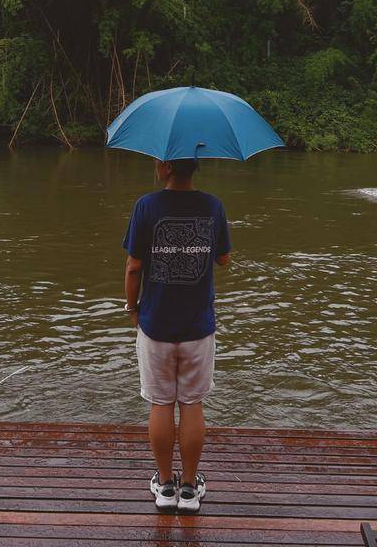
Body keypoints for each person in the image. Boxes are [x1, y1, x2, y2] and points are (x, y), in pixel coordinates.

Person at [122, 157, 231, 513]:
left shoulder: (146, 206)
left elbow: (134, 265)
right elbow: (224, 259)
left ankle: (165, 486)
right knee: (192, 404)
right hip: (198, 326)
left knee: (160, 403)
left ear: (167, 166)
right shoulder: (213, 205)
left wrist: (132, 307)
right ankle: (189, 490)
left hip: (156, 325)